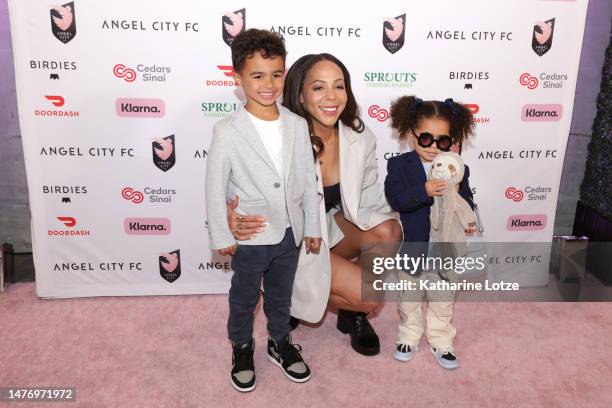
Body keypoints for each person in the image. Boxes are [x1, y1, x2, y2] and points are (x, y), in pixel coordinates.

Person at [226, 53, 402, 356]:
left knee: (388, 231)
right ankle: (291, 295)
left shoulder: (358, 135)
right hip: (292, 242)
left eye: (339, 86)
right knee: (370, 298)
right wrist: (232, 214)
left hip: (328, 231)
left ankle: (350, 312)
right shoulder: (281, 137)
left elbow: (369, 196)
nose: (332, 97)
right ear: (300, 94)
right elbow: (243, 186)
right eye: (319, 88)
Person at [205, 29, 321, 392]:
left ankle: (279, 341)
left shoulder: (297, 124)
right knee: (243, 296)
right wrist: (222, 234)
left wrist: (313, 227)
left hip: (290, 232)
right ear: (237, 79)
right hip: (252, 232)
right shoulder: (227, 130)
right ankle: (241, 345)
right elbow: (214, 186)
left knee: (281, 295)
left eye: (276, 74)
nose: (268, 84)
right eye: (257, 76)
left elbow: (307, 179)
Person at [384, 96, 475, 369]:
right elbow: (396, 199)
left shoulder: (459, 169)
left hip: (444, 250)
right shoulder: (399, 166)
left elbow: (469, 205)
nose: (434, 147)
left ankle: (441, 341)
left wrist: (457, 193)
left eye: (443, 141)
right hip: (412, 248)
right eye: (426, 139)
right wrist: (423, 191)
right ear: (412, 135)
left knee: (442, 300)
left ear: (453, 140)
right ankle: (408, 336)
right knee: (409, 298)